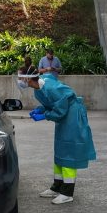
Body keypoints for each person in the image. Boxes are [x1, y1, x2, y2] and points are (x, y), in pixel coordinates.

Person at [17, 66, 96, 205]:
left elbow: (60, 110)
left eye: (20, 78)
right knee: (60, 151)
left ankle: (67, 193)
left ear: (28, 79)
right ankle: (57, 187)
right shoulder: (39, 87)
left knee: (68, 153)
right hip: (65, 119)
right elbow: (51, 103)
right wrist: (40, 109)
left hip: (72, 117)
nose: (19, 81)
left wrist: (45, 115)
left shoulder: (52, 88)